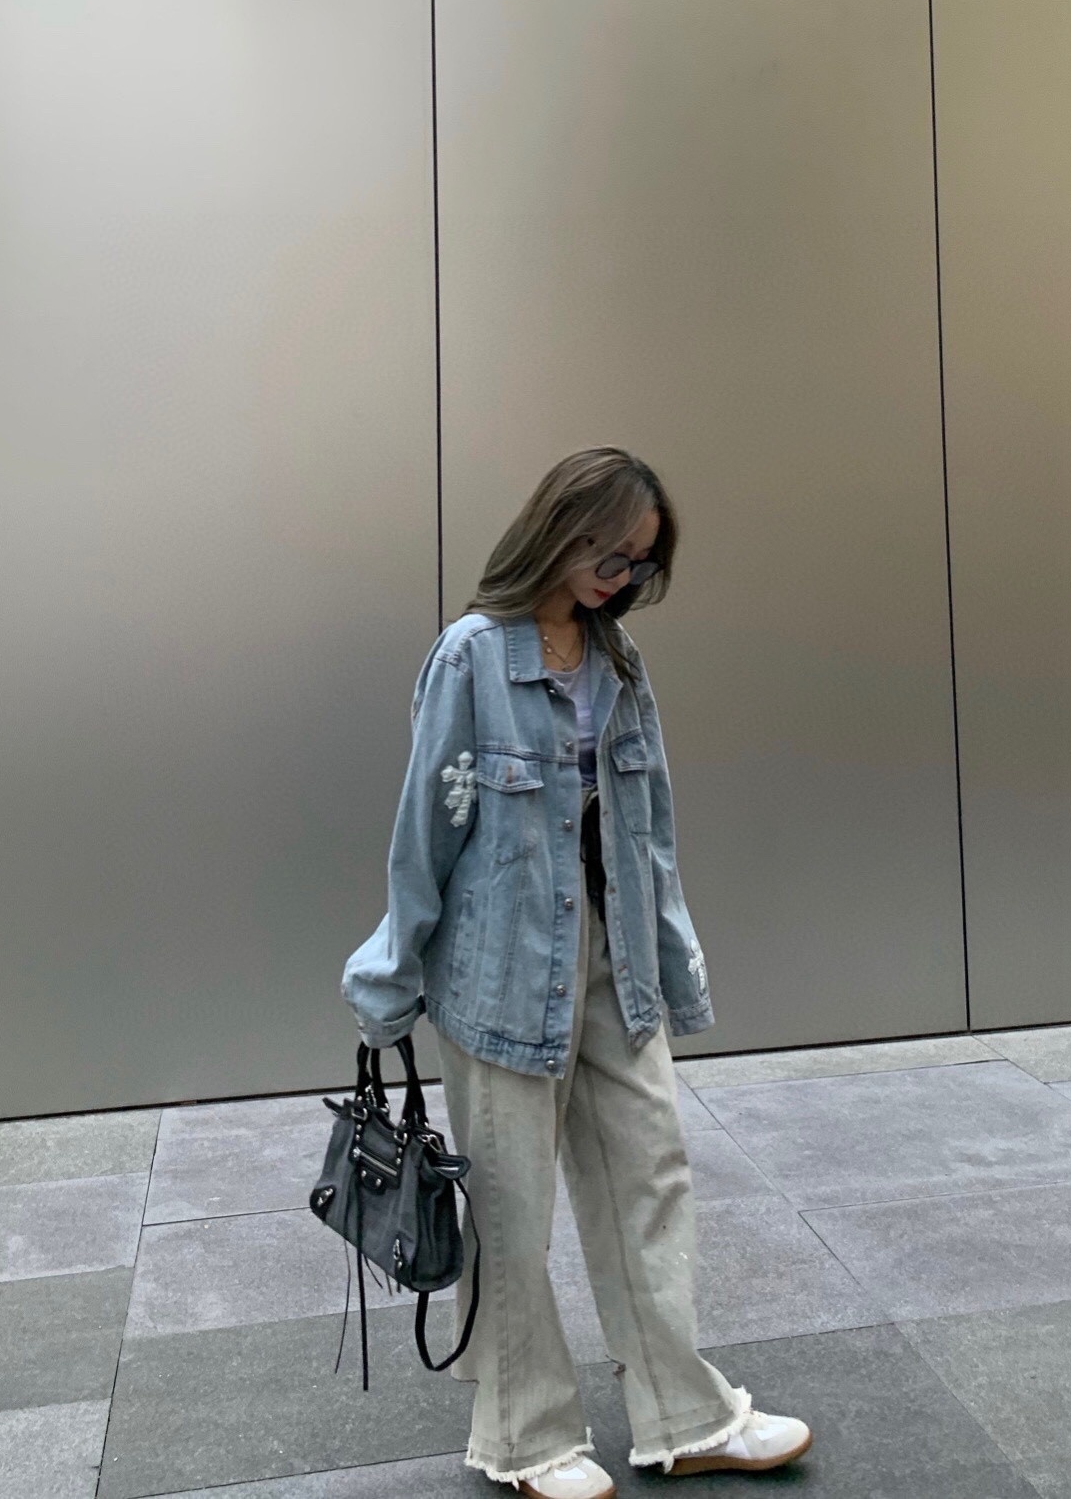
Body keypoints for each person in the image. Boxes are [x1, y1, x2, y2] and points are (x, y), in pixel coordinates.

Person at [342, 447, 812, 1497]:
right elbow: (425, 830)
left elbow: (649, 829)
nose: (624, 578)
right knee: (512, 1212)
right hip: (501, 973)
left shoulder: (620, 660)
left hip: (615, 960)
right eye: (614, 555)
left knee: (652, 1175)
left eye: (642, 565)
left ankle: (685, 1416)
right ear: (563, 529)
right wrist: (391, 971)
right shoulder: (470, 656)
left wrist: (674, 957)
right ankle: (526, 1437)